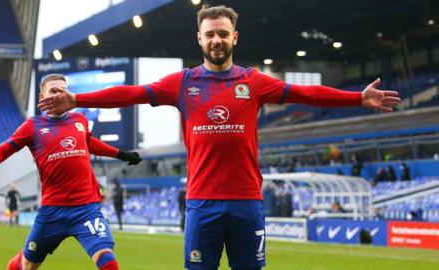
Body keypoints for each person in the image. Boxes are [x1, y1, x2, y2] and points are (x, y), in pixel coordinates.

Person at [38, 5, 400, 270]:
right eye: (209, 34)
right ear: (199, 38)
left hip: (246, 203)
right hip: (202, 204)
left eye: (222, 33)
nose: (216, 40)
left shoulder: (253, 82)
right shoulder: (182, 83)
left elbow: (307, 94)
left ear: (234, 37)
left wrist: (357, 97)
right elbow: (131, 92)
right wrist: (77, 99)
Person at [0, 74, 142, 270]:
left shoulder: (79, 119)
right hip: (52, 212)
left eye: (63, 91)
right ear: (42, 98)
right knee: (27, 265)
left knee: (106, 258)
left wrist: (121, 154)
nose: (59, 95)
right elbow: (7, 148)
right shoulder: (33, 126)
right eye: (53, 91)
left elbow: (89, 142)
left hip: (86, 209)